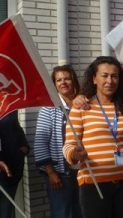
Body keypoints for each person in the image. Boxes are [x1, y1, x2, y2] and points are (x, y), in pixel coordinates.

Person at [62, 56, 123, 218]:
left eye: (114, 76)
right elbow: (68, 145)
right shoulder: (81, 108)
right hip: (93, 185)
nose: (110, 81)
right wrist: (75, 154)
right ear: (94, 79)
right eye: (104, 75)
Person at [35, 65, 83, 218]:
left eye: (67, 78)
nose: (63, 82)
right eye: (59, 80)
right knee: (60, 213)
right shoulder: (49, 108)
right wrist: (51, 172)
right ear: (54, 84)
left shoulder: (83, 105)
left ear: (73, 80)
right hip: (60, 173)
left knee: (81, 212)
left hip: (82, 171)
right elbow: (40, 142)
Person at [0, 111, 29, 218]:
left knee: (4, 213)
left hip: (7, 168)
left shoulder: (5, 101)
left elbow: (16, 127)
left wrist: (23, 147)